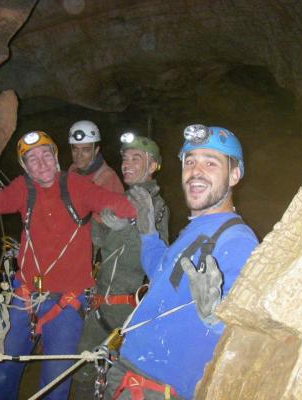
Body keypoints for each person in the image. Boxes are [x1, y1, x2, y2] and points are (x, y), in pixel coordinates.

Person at [0, 130, 136, 400]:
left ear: (56, 158)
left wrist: (136, 209)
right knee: (4, 369)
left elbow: (115, 202)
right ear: (25, 167)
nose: (41, 163)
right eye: (32, 159)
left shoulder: (76, 186)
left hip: (67, 303)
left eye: (46, 155)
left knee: (55, 384)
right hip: (25, 296)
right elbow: (2, 199)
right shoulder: (24, 188)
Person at [103, 124, 259, 400]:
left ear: (234, 175)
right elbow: (163, 275)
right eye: (190, 162)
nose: (196, 172)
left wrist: (215, 317)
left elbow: (248, 333)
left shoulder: (238, 240)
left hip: (159, 386)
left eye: (211, 163)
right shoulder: (196, 229)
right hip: (129, 371)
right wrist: (149, 232)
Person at [72, 133, 169, 398]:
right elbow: (98, 243)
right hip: (100, 306)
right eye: (125, 158)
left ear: (152, 166)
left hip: (126, 311)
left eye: (136, 158)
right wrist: (100, 221)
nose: (126, 163)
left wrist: (137, 224)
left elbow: (159, 264)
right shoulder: (119, 201)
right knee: (83, 371)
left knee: (115, 379)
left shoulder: (156, 207)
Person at [68, 120, 123, 194]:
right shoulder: (72, 169)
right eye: (75, 149)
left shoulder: (108, 179)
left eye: (85, 150)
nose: (79, 156)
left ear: (96, 150)